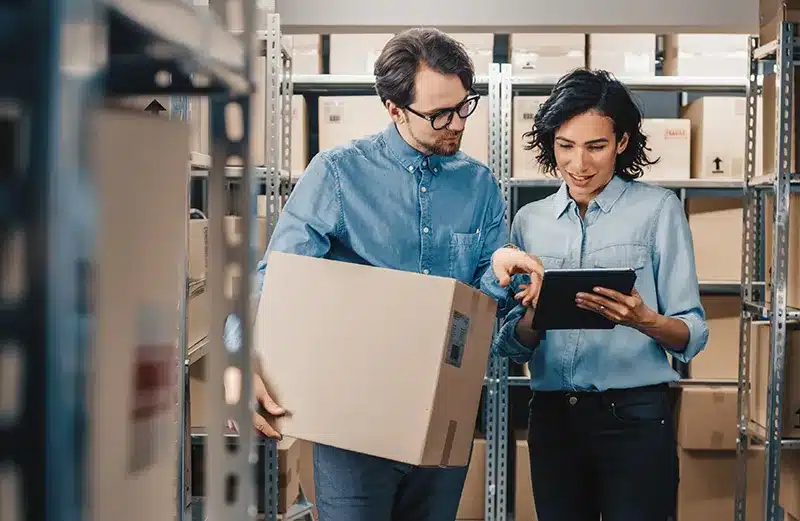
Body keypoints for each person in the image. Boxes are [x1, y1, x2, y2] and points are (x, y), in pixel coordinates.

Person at [225, 27, 543, 521]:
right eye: (439, 114)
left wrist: (500, 272)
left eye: (464, 106)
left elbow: (483, 305)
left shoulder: (479, 185)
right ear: (394, 109)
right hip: (353, 423)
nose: (457, 123)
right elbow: (275, 278)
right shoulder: (337, 174)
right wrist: (238, 357)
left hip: (444, 415)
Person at [482, 68, 709, 521]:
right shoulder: (529, 221)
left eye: (596, 146)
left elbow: (693, 333)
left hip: (635, 417)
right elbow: (510, 345)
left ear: (622, 142)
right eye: (565, 146)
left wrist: (643, 319)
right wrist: (533, 316)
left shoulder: (658, 210)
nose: (579, 164)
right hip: (553, 419)